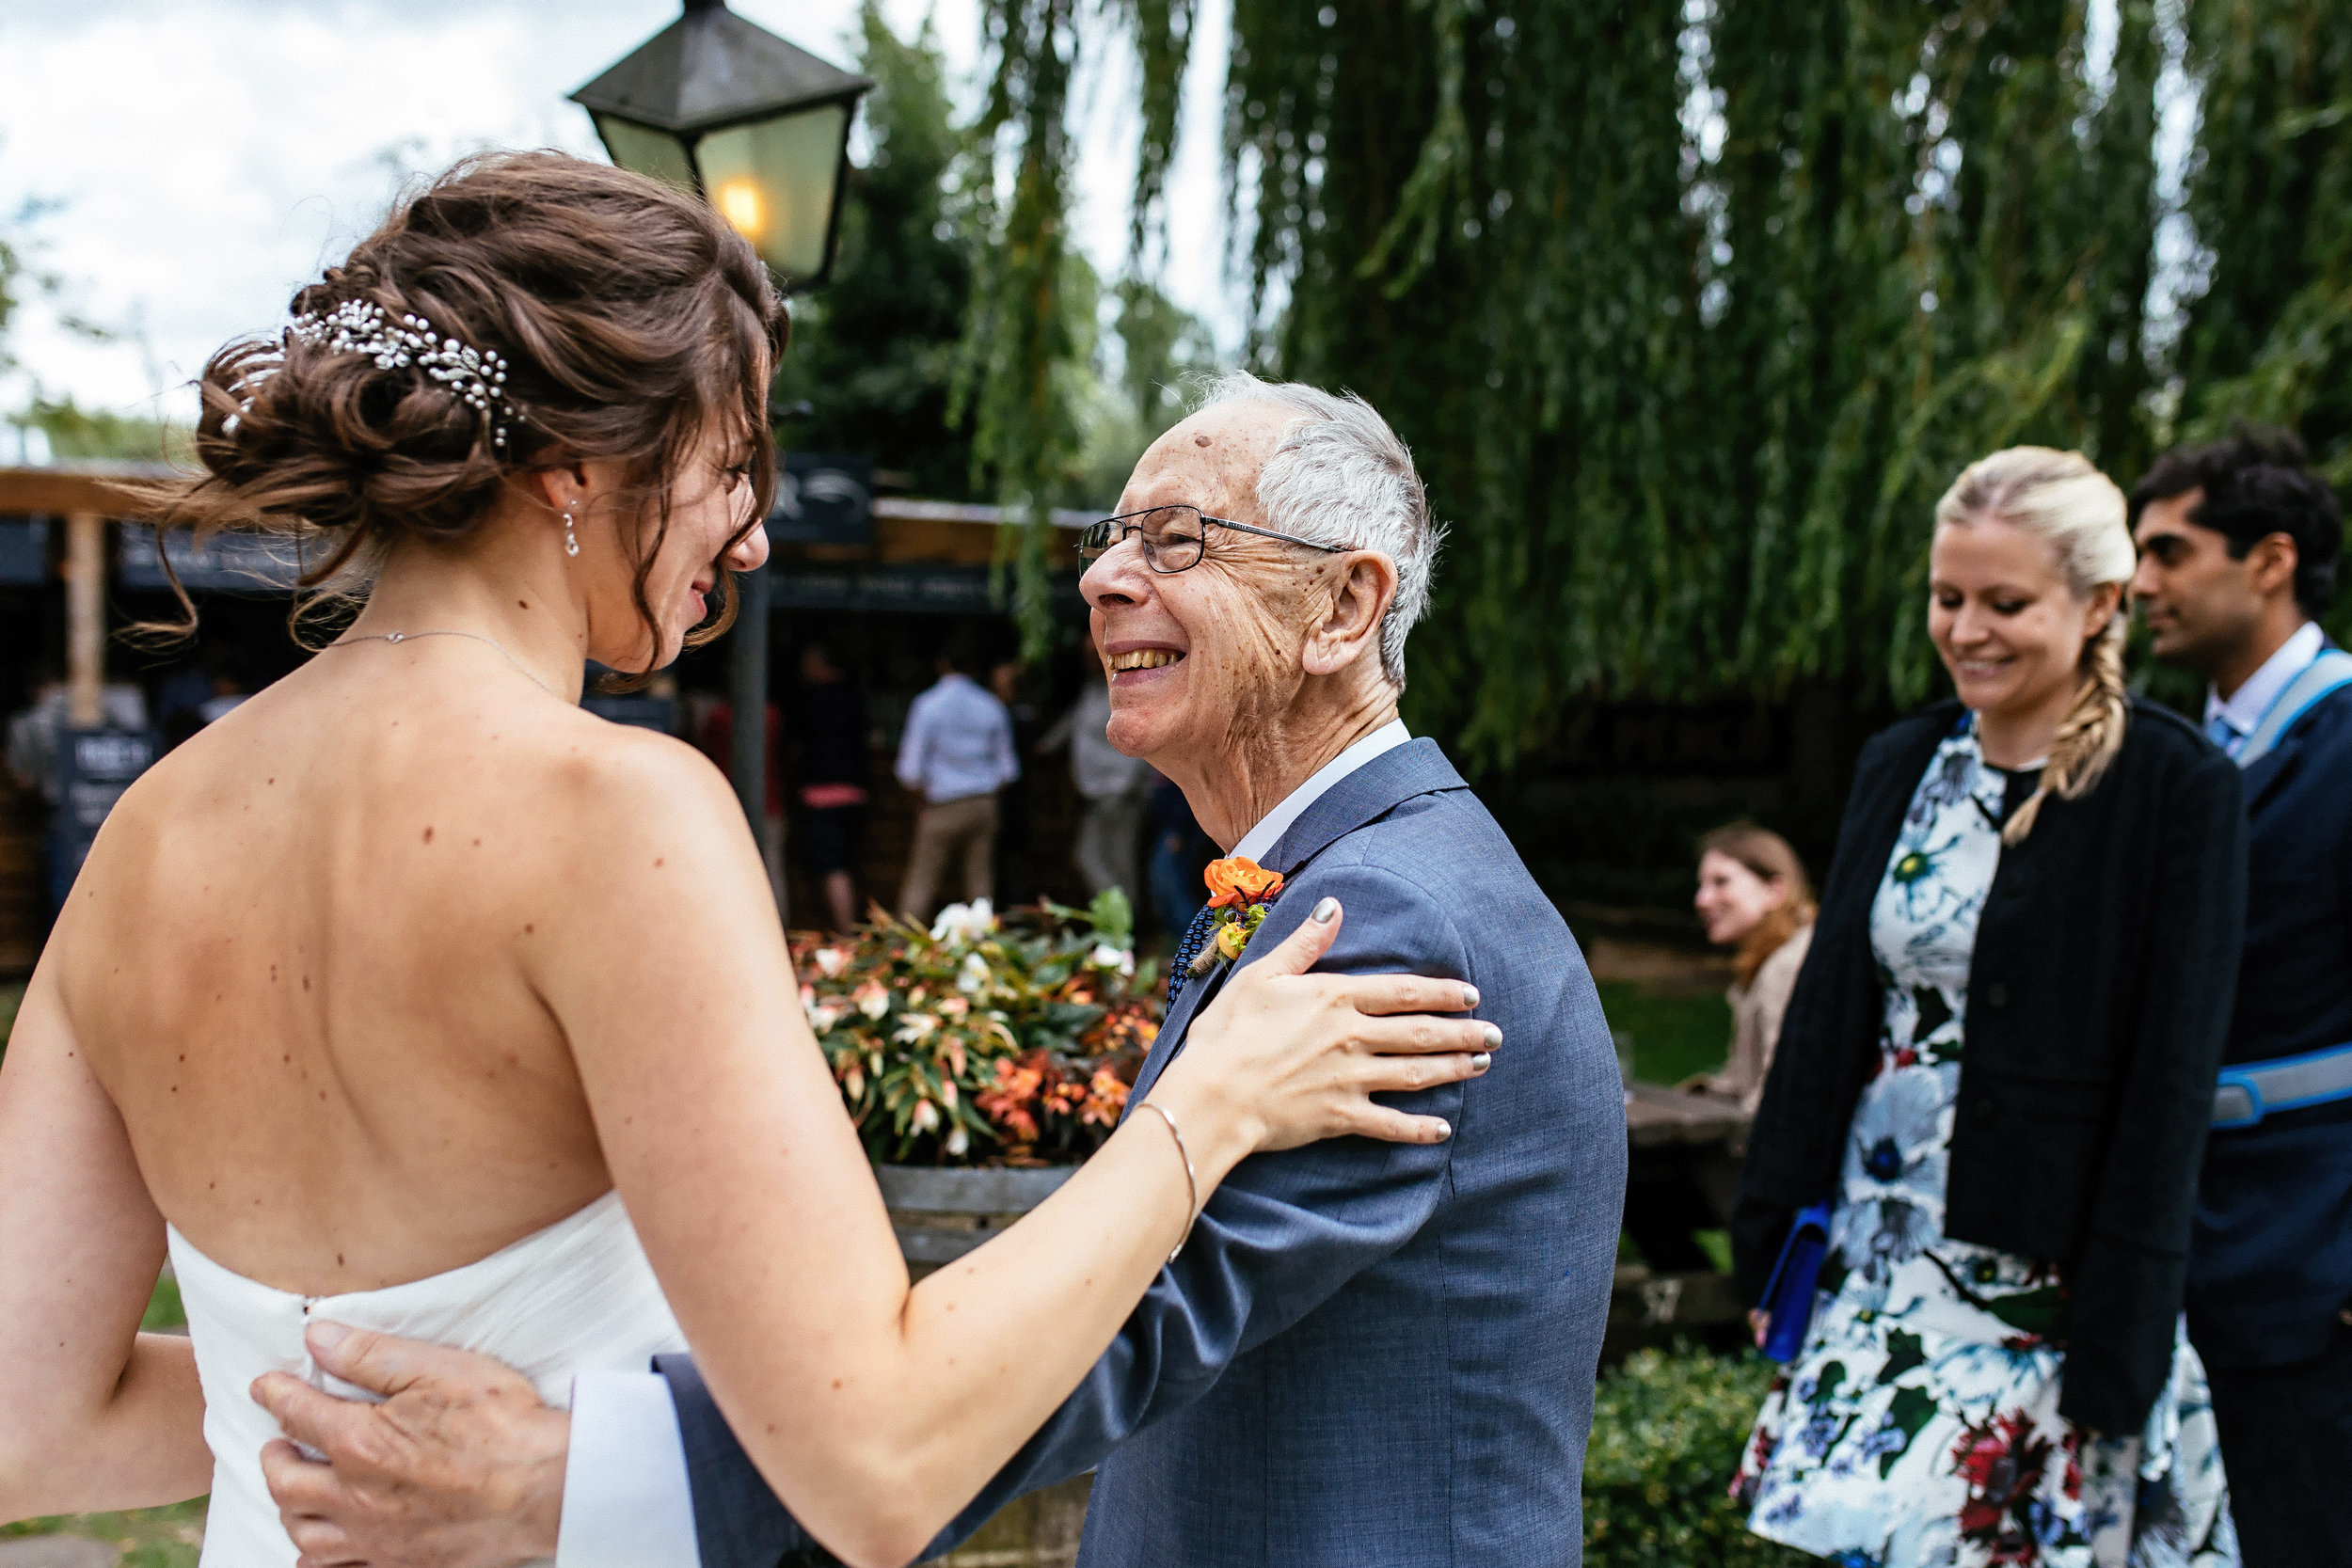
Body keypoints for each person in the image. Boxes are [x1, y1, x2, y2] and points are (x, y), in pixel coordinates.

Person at [0, 154, 1493, 1568]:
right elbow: (878, 1463)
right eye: (732, 462)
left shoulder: (145, 833)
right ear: (581, 466)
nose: (758, 534)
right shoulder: (618, 815)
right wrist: (1206, 1105)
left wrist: (309, 1390)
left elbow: (29, 1429)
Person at [237, 373, 1627, 1568]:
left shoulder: (1392, 918)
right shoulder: (1360, 872)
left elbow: (1119, 1324)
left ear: (1343, 607)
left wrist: (575, 1480)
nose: (1100, 574)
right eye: (1111, 536)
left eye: (1179, 537)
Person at [1731, 447, 2245, 1566]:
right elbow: (1826, 1015)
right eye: (1947, 597)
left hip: (2047, 1289)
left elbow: (2170, 1085)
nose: (1967, 628)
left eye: (2005, 602)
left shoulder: (2175, 787)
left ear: (2098, 603)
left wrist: (2121, 1342)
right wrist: (1769, 1231)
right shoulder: (1898, 761)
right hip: (1878, 1257)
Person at [2129, 425, 2352, 1568]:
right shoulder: (2166, 759)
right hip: (2184, 1254)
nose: (2139, 582)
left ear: (2268, 559)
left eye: (2168, 551)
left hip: (2322, 1262)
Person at [1687, 823, 1816, 1113]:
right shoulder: (1769, 958)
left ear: (1775, 891)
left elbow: (1782, 1092)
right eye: (1702, 885)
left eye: (1721, 882)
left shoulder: (1788, 965)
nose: (1702, 900)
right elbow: (1746, 1077)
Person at [894, 638, 1018, 922]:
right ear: (974, 669)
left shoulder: (927, 705)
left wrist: (918, 800)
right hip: (983, 805)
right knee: (980, 885)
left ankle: (901, 950)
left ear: (942, 664)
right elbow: (1008, 770)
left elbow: (909, 771)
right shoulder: (992, 706)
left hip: (941, 805)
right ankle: (982, 951)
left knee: (921, 882)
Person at [1040, 631, 1152, 911]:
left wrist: (1129, 784)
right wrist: (1044, 746)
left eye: (1094, 653)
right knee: (1089, 856)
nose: (1089, 659)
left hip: (1119, 792)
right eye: (1086, 653)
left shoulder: (1125, 688)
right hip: (1096, 794)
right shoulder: (1092, 688)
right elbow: (1074, 725)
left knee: (1118, 859)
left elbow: (1141, 735)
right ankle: (1115, 919)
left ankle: (1124, 928)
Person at [787, 641, 869, 935]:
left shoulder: (810, 699)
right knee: (846, 865)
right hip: (854, 794)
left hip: (822, 796)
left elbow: (794, 742)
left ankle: (846, 936)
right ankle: (848, 931)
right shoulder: (853, 697)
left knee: (831, 867)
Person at [1145, 767, 1210, 940]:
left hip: (1177, 832)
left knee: (1173, 888)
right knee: (1165, 888)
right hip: (1167, 830)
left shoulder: (1177, 757)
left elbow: (1186, 795)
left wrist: (1179, 830)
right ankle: (1181, 944)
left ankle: (1193, 942)